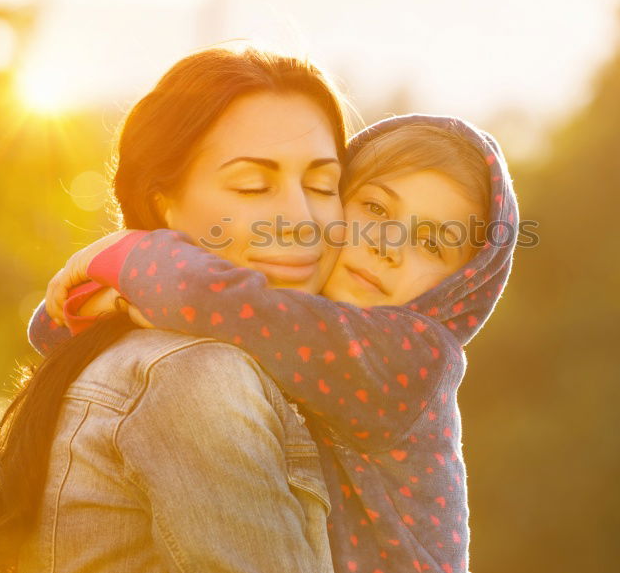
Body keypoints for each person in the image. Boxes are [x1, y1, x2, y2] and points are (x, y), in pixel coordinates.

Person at [32, 114, 520, 573]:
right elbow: (53, 328)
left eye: (433, 244)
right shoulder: (283, 326)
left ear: (462, 288)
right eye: (374, 208)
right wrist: (123, 300)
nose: (387, 246)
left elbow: (204, 296)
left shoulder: (413, 356)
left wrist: (135, 254)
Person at [0, 45, 350, 573]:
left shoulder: (274, 370)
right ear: (163, 201)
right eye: (254, 185)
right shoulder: (196, 376)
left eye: (324, 185)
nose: (301, 218)